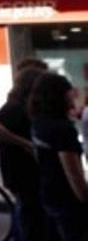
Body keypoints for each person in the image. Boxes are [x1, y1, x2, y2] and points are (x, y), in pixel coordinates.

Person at [0, 66, 47, 241]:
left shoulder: (26, 104)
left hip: (26, 169)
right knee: (28, 213)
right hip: (19, 169)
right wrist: (25, 144)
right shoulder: (15, 105)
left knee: (29, 211)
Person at [30, 73, 88, 241]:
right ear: (61, 95)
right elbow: (74, 174)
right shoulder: (62, 130)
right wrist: (85, 197)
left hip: (49, 192)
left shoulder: (38, 122)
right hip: (68, 201)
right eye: (69, 92)